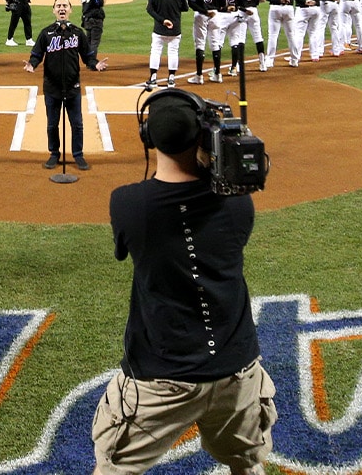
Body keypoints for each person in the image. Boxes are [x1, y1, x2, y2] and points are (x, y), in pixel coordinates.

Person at [91, 90, 277, 475]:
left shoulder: (128, 204)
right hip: (236, 372)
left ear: (149, 137)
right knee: (248, 464)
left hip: (161, 378)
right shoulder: (239, 202)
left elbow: (130, 245)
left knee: (114, 466)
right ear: (203, 136)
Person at [24, 0, 107, 171]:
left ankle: (78, 155)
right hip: (52, 87)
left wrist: (95, 64)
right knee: (52, 124)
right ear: (53, 10)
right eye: (58, 6)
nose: (62, 9)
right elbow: (37, 54)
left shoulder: (77, 33)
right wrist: (32, 64)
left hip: (72, 87)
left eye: (65, 6)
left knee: (77, 124)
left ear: (70, 10)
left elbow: (87, 57)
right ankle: (54, 153)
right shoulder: (46, 33)